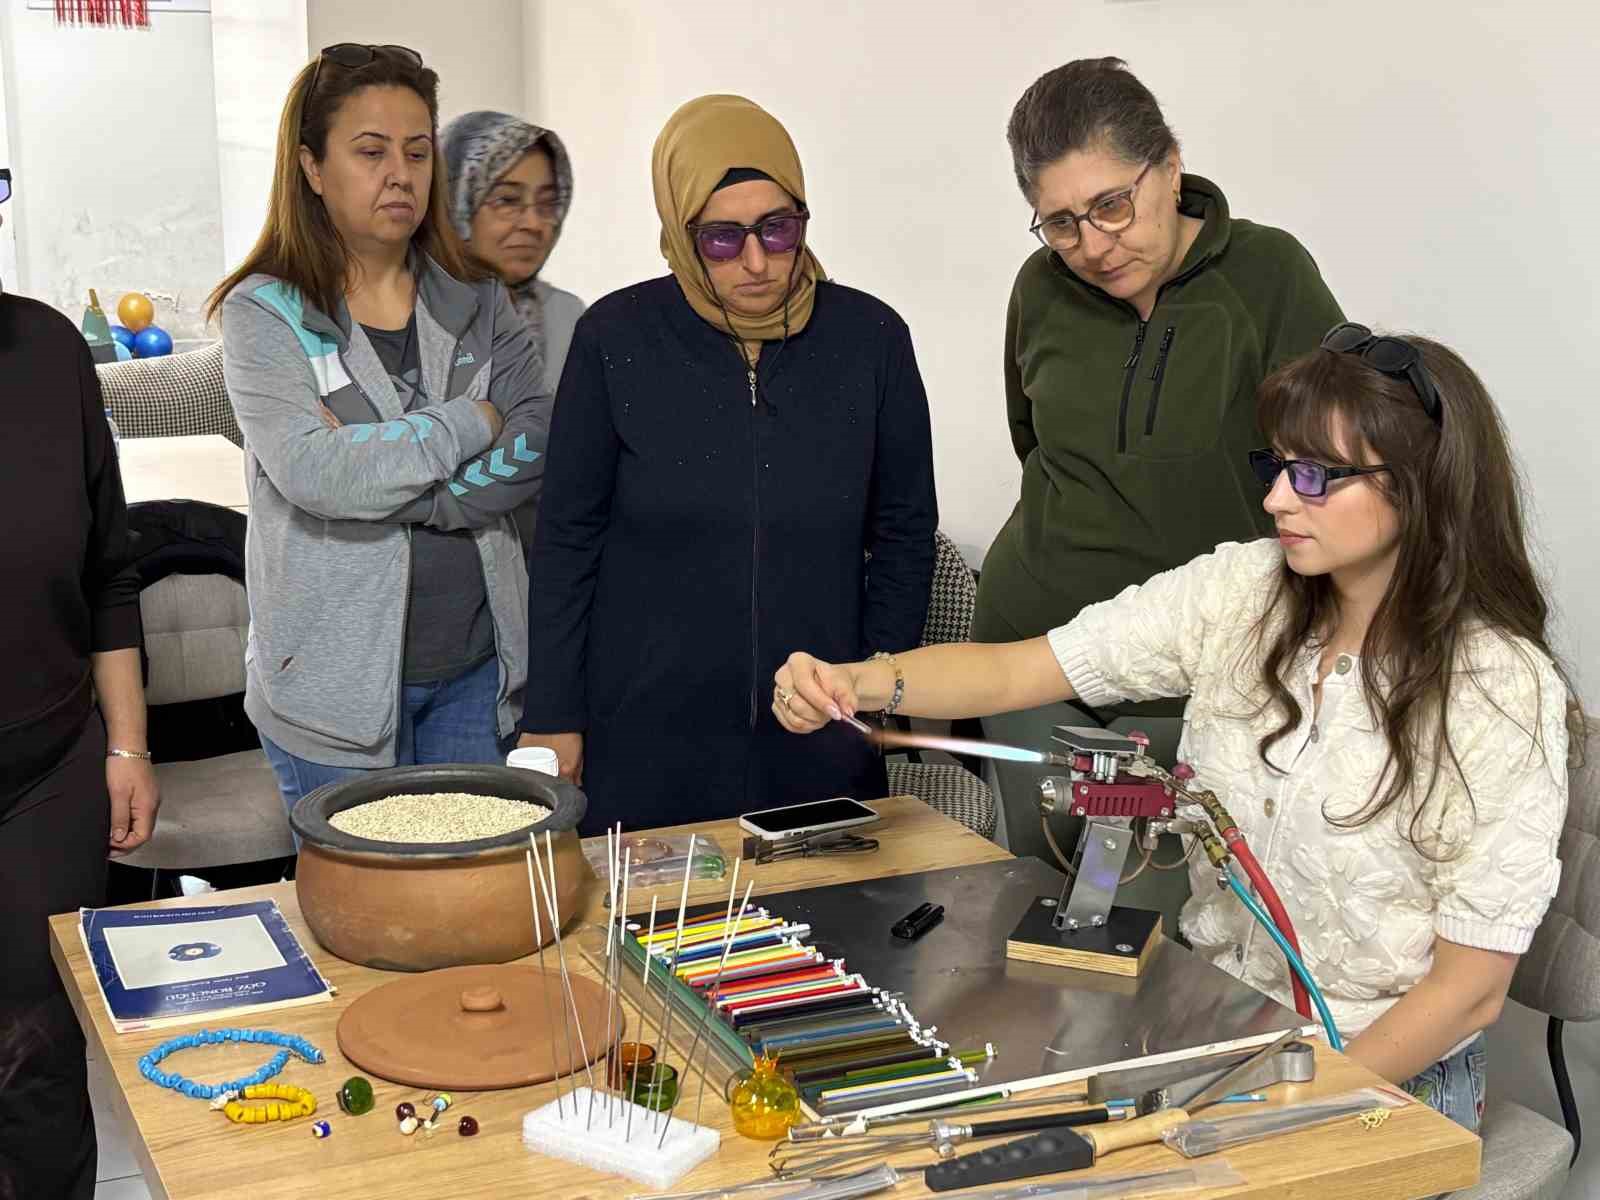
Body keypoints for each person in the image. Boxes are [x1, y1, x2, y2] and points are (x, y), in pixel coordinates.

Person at [775, 329, 1578, 1132]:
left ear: (1419, 486)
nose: (1275, 500)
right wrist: (860, 680)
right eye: (1276, 466)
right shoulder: (1246, 591)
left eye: (1313, 476)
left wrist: (1279, 1100)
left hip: (1377, 1080)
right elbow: (1025, 669)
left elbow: (1468, 988)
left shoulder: (1496, 688)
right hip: (1220, 1025)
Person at [517, 94, 937, 834]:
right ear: (680, 233)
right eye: (721, 238)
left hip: (819, 729)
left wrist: (880, 685)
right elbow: (566, 543)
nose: (756, 262)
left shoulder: (870, 338)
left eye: (779, 229)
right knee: (643, 938)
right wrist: (554, 714)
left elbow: (904, 532)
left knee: (830, 935)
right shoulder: (615, 340)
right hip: (645, 735)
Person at [975, 58, 1345, 888]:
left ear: (1170, 169)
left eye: (1111, 205)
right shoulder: (1040, 289)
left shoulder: (1269, 274)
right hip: (1034, 661)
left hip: (1200, 685)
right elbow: (1035, 442)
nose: (1093, 246)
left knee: (1184, 934)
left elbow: (1334, 464)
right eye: (1061, 222)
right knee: (1044, 916)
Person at [207, 45, 553, 814]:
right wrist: (473, 418)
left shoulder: (480, 298)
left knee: (473, 912)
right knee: (362, 926)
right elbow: (318, 475)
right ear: (312, 167)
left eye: (418, 150)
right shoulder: (264, 314)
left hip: (477, 673)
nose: (400, 173)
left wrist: (404, 486)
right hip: (330, 700)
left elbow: (535, 440)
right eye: (370, 151)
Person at [0, 171, 160, 1197]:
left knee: (36, 1059)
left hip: (46, 769)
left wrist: (128, 745)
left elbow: (110, 567)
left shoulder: (50, 350)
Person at [442, 112, 584, 556]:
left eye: (547, 203)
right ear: (453, 201)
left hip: (553, 563)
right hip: (439, 564)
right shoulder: (414, 312)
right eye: (506, 200)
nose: (534, 223)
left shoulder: (570, 316)